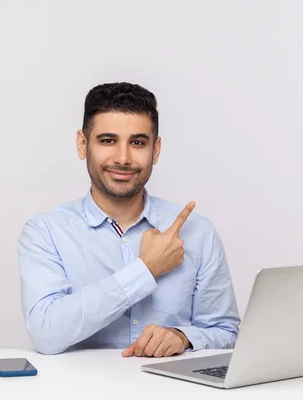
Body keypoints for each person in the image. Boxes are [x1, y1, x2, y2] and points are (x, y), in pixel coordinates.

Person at [17, 82, 240, 358]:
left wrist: (183, 338)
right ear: (83, 144)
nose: (123, 159)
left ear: (155, 150)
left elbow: (226, 332)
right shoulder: (45, 233)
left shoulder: (198, 232)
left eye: (137, 143)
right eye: (108, 141)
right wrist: (145, 269)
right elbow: (46, 332)